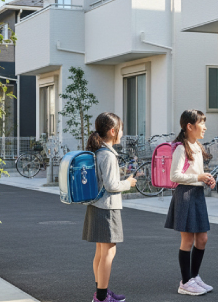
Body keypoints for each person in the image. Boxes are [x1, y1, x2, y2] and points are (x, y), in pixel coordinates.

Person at [82, 112, 137, 302]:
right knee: (109, 252)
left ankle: (101, 293)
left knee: (101, 251)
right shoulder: (108, 154)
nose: (122, 133)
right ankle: (101, 297)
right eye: (120, 129)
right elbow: (112, 185)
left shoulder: (98, 151)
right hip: (107, 208)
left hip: (96, 205)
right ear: (113, 131)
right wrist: (128, 183)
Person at [165, 109, 216, 296]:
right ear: (189, 126)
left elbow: (195, 174)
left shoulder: (197, 146)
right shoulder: (181, 148)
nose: (205, 127)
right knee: (187, 240)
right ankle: (185, 282)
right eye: (202, 123)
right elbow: (174, 176)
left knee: (202, 239)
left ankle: (194, 277)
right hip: (185, 195)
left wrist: (206, 179)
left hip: (196, 194)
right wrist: (198, 177)